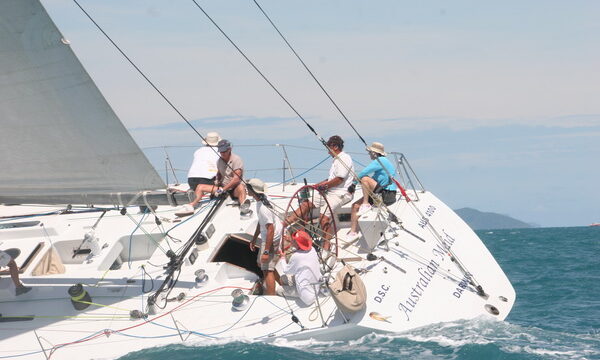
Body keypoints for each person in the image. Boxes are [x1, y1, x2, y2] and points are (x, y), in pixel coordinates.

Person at [286, 135, 354, 250]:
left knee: (324, 218)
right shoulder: (336, 160)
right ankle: (283, 225)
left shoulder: (344, 158)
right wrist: (316, 186)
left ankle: (326, 246)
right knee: (306, 204)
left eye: (329, 149)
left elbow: (339, 179)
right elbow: (330, 179)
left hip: (340, 193)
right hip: (329, 191)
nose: (328, 152)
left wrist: (324, 187)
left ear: (335, 147)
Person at [347, 142, 397, 240]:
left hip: (387, 194)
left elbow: (364, 172)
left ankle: (366, 203)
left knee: (365, 178)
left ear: (374, 153)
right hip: (379, 192)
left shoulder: (380, 160)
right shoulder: (381, 162)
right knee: (355, 206)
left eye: (370, 152)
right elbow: (374, 179)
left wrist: (353, 183)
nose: (369, 154)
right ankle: (353, 232)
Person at [247, 178, 281, 296]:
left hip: (270, 240)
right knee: (262, 264)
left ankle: (272, 296)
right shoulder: (261, 201)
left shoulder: (263, 208)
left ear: (253, 191)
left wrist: (266, 251)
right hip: (268, 238)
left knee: (267, 270)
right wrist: (255, 238)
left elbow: (270, 229)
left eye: (248, 188)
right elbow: (261, 222)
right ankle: (281, 283)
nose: (246, 189)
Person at [176, 132, 221, 216]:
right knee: (222, 186)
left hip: (191, 180)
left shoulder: (198, 151)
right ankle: (211, 194)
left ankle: (199, 192)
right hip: (206, 181)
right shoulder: (219, 152)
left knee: (202, 183)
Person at [275, 230, 321, 306]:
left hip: (306, 296)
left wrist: (283, 258)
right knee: (283, 279)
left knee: (278, 289)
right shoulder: (312, 249)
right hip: (315, 287)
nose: (291, 241)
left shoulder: (296, 256)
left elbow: (286, 271)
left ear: (297, 244)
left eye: (294, 240)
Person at [215, 139, 252, 217]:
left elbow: (236, 179)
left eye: (224, 151)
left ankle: (244, 208)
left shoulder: (236, 159)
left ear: (229, 149)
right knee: (201, 187)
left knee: (241, 188)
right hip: (223, 188)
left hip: (234, 189)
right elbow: (219, 173)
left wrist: (223, 189)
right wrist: (217, 180)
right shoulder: (219, 161)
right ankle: (192, 204)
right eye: (221, 151)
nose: (222, 153)